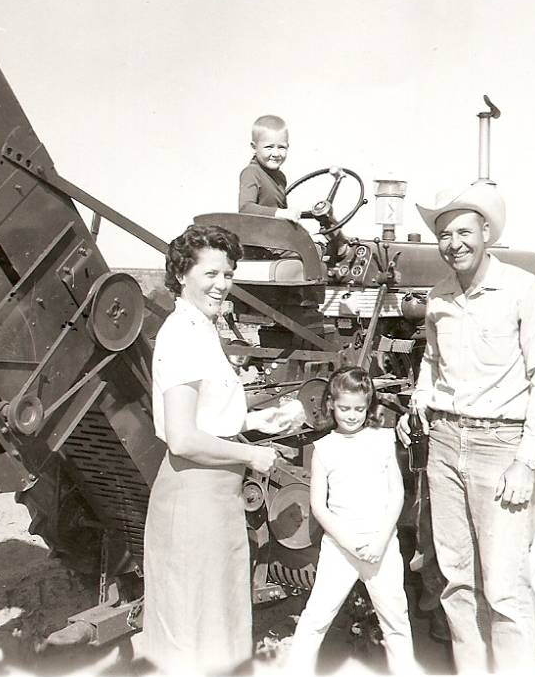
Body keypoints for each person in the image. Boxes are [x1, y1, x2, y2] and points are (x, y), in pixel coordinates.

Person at [396, 183, 535, 673]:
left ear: (486, 232)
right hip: (446, 444)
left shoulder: (523, 290)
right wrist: (420, 398)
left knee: (505, 588)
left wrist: (525, 459)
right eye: (445, 234)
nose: (454, 243)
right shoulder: (439, 297)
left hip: (500, 446)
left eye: (464, 232)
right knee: (455, 580)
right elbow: (432, 361)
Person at [143, 223, 299, 674]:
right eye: (211, 273)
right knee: (194, 629)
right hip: (193, 497)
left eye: (228, 274)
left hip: (215, 497)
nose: (221, 284)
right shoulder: (182, 333)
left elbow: (206, 416)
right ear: (182, 274)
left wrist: (253, 420)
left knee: (217, 621)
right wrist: (252, 455)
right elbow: (183, 437)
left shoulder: (201, 327)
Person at [288, 367, 419, 674]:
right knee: (316, 617)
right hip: (340, 547)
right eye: (344, 408)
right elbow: (318, 506)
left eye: (359, 409)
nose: (351, 415)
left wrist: (380, 540)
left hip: (381, 546)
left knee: (396, 620)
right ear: (331, 404)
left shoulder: (383, 440)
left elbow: (396, 495)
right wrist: (348, 542)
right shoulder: (324, 448)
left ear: (368, 406)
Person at [238, 114, 300, 221]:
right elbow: (245, 208)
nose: (276, 153)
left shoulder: (280, 177)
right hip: (257, 233)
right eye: (269, 147)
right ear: (254, 148)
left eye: (281, 147)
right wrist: (280, 213)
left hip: (275, 232)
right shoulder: (251, 173)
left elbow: (284, 218)